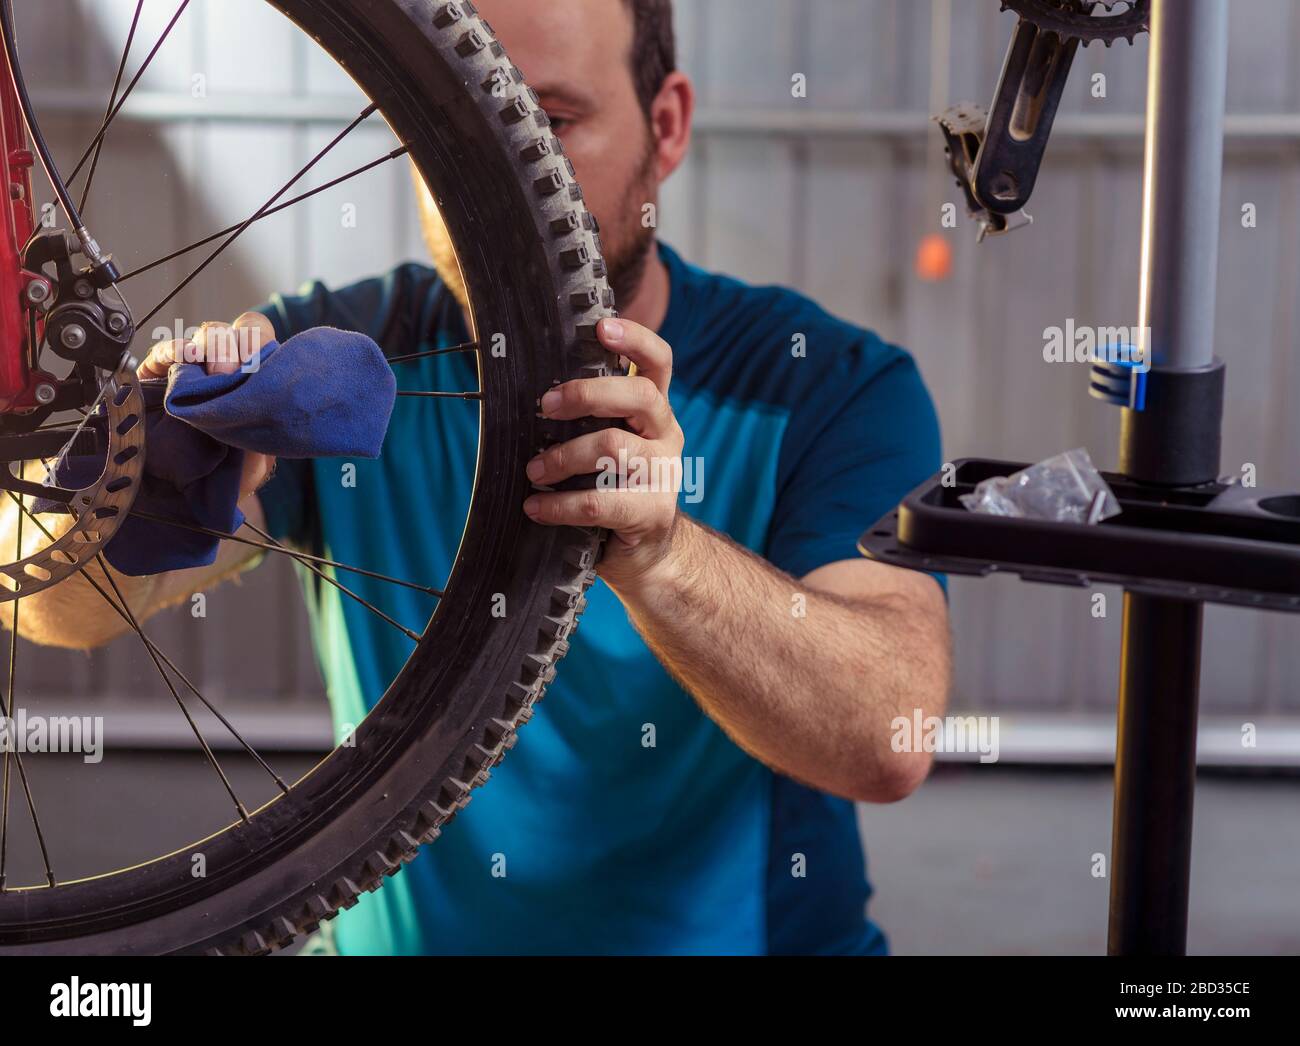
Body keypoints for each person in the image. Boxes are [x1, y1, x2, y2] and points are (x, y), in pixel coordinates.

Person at [12, 0, 950, 955]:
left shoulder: (828, 386)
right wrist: (136, 477)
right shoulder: (345, 362)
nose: (510, 182)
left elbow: (891, 735)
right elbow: (56, 609)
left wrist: (666, 559)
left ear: (665, 127)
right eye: (461, 122)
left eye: (549, 124)